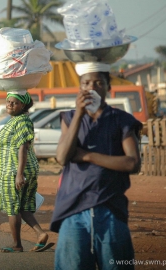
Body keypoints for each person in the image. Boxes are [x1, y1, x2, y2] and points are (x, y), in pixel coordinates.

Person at [50, 62, 143, 270]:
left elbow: (133, 162)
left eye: (98, 82)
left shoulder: (122, 120)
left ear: (108, 87)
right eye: (86, 83)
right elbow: (63, 157)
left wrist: (88, 156)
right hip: (74, 211)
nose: (92, 87)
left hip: (110, 210)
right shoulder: (69, 118)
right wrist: (79, 113)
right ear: (80, 88)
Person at [0, 91, 53, 253]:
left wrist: (19, 174)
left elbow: (23, 148)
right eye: (8, 102)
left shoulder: (22, 121)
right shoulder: (16, 121)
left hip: (15, 169)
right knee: (23, 207)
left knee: (13, 208)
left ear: (23, 105)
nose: (10, 105)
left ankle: (17, 244)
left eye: (15, 102)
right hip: (19, 169)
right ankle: (40, 234)